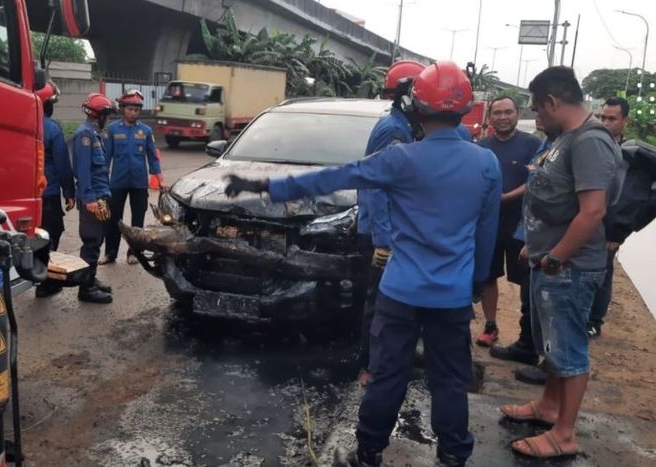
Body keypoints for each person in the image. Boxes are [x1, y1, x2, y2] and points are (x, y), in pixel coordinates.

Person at [225, 61, 501, 467]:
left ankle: (369, 452)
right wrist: (476, 283)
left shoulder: (398, 159)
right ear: (464, 110)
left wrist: (263, 185)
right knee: (449, 381)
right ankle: (453, 456)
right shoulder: (486, 164)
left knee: (388, 375)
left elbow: (333, 178)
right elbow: (485, 235)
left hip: (400, 290)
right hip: (452, 296)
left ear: (417, 106)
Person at [500, 67, 621, 459]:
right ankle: (549, 407)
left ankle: (564, 434)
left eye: (536, 108)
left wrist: (556, 255)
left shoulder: (589, 142)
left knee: (568, 349)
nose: (535, 116)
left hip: (568, 268)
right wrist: (534, 246)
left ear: (553, 102)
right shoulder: (563, 138)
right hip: (549, 261)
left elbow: (592, 211)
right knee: (551, 344)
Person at [356, 60, 425, 387]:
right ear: (408, 96)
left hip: (392, 230)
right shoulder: (395, 131)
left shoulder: (402, 126)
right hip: (386, 235)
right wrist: (383, 241)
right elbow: (379, 186)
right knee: (379, 304)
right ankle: (371, 367)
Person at [475, 96, 542, 346]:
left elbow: (537, 181)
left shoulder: (533, 145)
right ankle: (491, 325)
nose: (502, 117)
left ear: (517, 114)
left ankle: (527, 334)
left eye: (508, 112)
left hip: (520, 225)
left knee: (524, 279)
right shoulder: (481, 148)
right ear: (490, 117)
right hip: (489, 224)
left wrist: (506, 197)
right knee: (488, 275)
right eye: (497, 113)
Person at [489, 116, 555, 366]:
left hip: (542, 238)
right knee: (530, 295)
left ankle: (549, 363)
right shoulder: (547, 142)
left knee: (545, 302)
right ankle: (527, 345)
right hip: (529, 230)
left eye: (541, 108)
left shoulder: (562, 146)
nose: (537, 114)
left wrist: (535, 241)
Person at [100, 90, 164, 265]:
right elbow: (105, 159)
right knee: (113, 219)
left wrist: (160, 179)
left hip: (139, 183)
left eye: (137, 109)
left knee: (138, 220)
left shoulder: (145, 131)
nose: (134, 112)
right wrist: (101, 182)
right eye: (130, 109)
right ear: (122, 109)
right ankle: (110, 253)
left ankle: (134, 253)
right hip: (117, 183)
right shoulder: (112, 130)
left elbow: (153, 157)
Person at [588, 97, 630, 337]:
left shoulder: (630, 155)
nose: (605, 123)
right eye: (602, 117)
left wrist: (619, 232)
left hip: (609, 227)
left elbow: (634, 198)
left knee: (602, 275)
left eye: (611, 119)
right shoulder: (592, 145)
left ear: (625, 121)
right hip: (586, 221)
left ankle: (594, 321)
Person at [72, 93, 116, 304]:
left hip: (100, 196)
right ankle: (85, 288)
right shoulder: (85, 135)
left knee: (97, 240)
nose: (108, 119)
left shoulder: (94, 133)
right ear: (98, 115)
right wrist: (89, 199)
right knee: (90, 242)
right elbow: (83, 171)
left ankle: (91, 277)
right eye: (107, 115)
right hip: (92, 198)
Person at [35, 82, 76, 298]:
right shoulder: (52, 129)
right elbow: (62, 166)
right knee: (52, 235)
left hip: (25, 195)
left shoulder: (20, 123)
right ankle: (47, 281)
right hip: (48, 195)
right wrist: (70, 193)